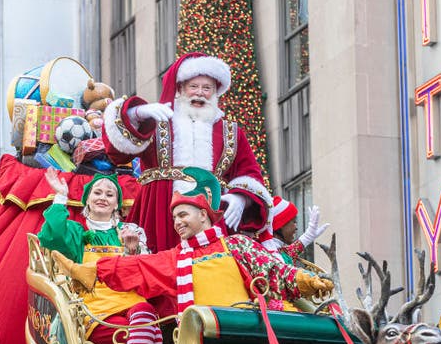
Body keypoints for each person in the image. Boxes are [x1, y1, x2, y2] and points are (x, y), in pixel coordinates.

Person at [50, 168, 334, 320]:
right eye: (174, 217)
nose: (177, 223)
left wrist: (307, 281)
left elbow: (274, 271)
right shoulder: (176, 258)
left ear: (203, 214)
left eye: (183, 214)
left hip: (248, 332)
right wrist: (88, 271)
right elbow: (134, 268)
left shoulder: (235, 245)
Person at [100, 52, 272, 252]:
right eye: (194, 87)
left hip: (211, 214)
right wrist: (138, 114)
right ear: (180, 88)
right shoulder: (158, 120)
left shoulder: (230, 131)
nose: (200, 93)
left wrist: (240, 197)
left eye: (207, 88)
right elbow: (117, 152)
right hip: (157, 208)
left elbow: (249, 172)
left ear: (216, 92)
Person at [37, 168, 165, 344]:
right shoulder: (76, 232)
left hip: (132, 308)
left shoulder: (130, 233)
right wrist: (60, 198)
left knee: (145, 313)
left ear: (117, 203)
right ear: (87, 200)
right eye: (97, 192)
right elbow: (51, 237)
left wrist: (133, 252)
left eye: (110, 194)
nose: (103, 197)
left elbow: (146, 277)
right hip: (97, 313)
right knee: (152, 330)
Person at [258, 196, 330, 265]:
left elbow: (291, 251)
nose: (296, 227)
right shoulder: (266, 255)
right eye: (294, 221)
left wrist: (309, 235)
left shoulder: (278, 250)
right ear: (280, 224)